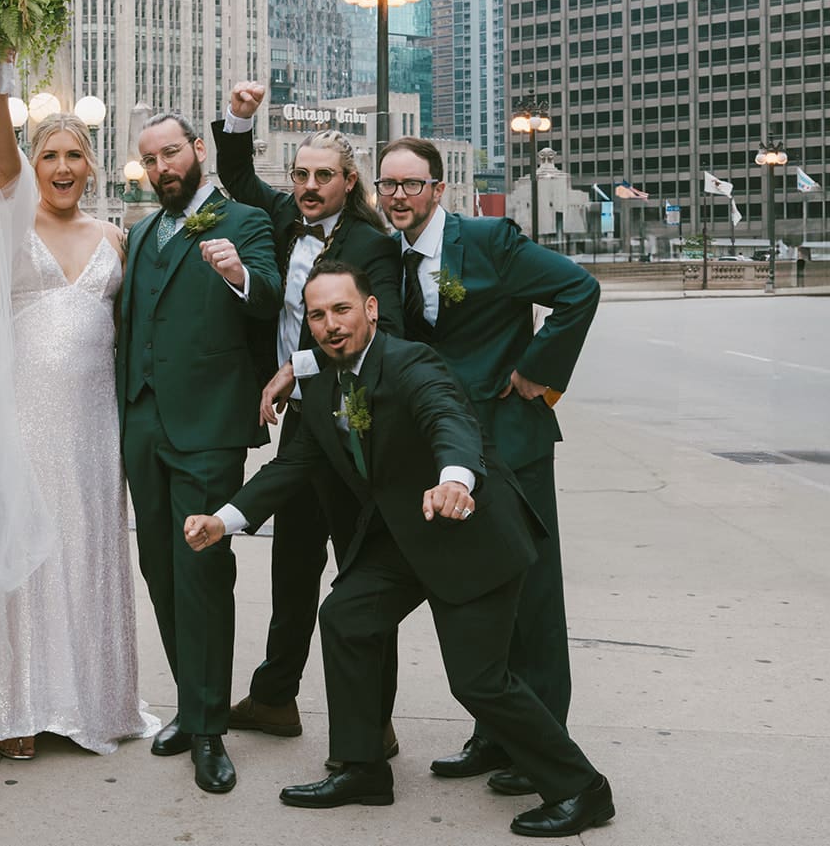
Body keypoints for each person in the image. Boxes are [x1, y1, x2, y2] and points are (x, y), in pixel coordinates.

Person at [184, 261, 615, 838]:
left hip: (468, 533)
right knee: (346, 616)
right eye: (317, 314)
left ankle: (582, 788)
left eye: (342, 309)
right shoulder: (321, 383)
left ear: (371, 310)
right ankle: (361, 767)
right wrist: (224, 519)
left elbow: (448, 418)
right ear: (307, 324)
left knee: (479, 681)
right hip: (404, 534)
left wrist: (457, 479)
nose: (331, 324)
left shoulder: (413, 363)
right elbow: (293, 465)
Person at [374, 136, 600, 796]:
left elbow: (578, 290)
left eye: (411, 184)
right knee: (480, 596)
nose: (398, 196)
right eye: (387, 184)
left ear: (439, 189)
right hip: (448, 454)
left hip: (511, 444)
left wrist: (536, 371)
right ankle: (492, 733)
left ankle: (541, 748)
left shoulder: (491, 241)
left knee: (532, 599)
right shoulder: (389, 257)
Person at [0, 58, 154, 760]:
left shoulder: (115, 238)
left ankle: (98, 700)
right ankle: (19, 704)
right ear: (33, 164)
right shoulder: (9, 223)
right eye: (49, 154)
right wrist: (0, 85)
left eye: (74, 154)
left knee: (90, 545)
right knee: (28, 550)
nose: (62, 164)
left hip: (95, 424)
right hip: (24, 416)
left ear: (91, 166)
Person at [211, 81, 403, 753]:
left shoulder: (374, 248)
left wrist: (301, 365)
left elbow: (389, 335)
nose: (310, 185)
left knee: (358, 575)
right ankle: (274, 697)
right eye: (301, 174)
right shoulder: (286, 218)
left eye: (324, 175)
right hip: (301, 425)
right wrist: (240, 115)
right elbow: (235, 173)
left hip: (356, 426)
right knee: (292, 567)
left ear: (350, 182)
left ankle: (373, 720)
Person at [117, 110, 281, 794]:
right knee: (160, 567)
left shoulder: (243, 222)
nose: (162, 169)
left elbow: (269, 295)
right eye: (149, 160)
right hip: (144, 427)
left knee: (203, 574)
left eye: (170, 154)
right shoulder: (139, 232)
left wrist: (240, 272)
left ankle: (210, 728)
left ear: (197, 152)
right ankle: (190, 703)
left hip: (209, 429)